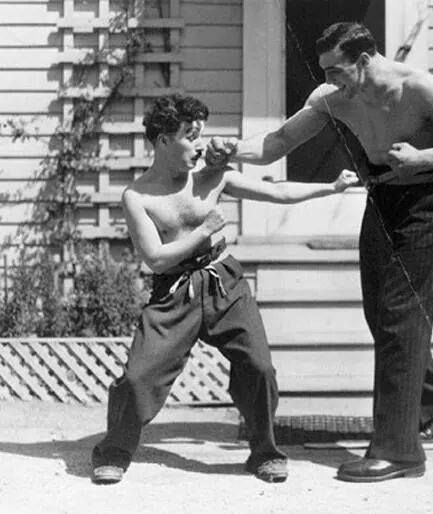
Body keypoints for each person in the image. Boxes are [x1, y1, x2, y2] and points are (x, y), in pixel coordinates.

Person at [206, 22, 433, 482]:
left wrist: (423, 158)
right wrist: (229, 149)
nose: (328, 79)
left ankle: (399, 451)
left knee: (400, 315)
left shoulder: (421, 88)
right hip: (383, 200)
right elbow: (277, 143)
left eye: (336, 70)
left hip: (429, 201)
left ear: (363, 60)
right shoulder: (332, 98)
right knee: (381, 312)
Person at [90, 94, 358, 485]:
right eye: (190, 136)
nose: (200, 145)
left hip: (223, 280)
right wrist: (203, 229)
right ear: (163, 140)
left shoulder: (213, 176)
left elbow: (278, 193)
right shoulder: (138, 196)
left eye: (201, 134)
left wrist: (331, 187)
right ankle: (114, 449)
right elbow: (157, 259)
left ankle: (264, 451)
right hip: (174, 291)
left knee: (259, 366)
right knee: (137, 377)